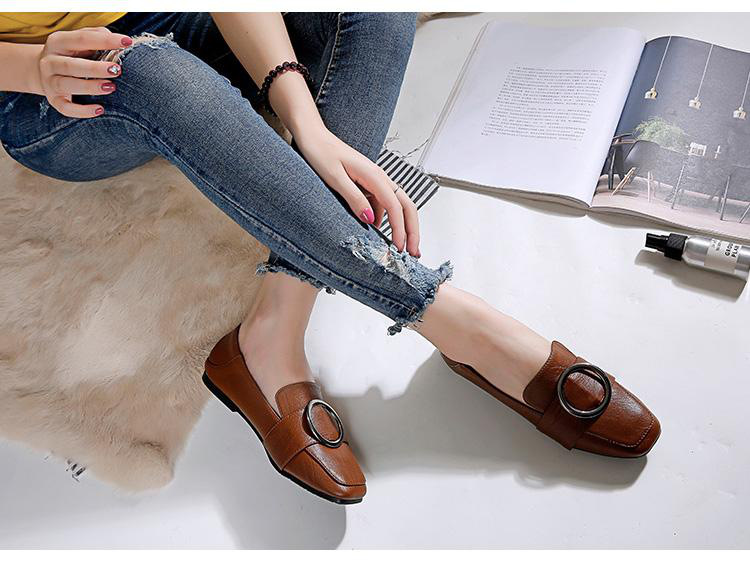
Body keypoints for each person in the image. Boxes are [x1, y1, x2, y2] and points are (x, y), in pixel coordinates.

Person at [0, 12, 660, 505]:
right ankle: (454, 320)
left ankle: (272, 329)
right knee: (139, 67)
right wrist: (34, 69)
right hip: (45, 92)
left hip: (178, 20)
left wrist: (307, 126)